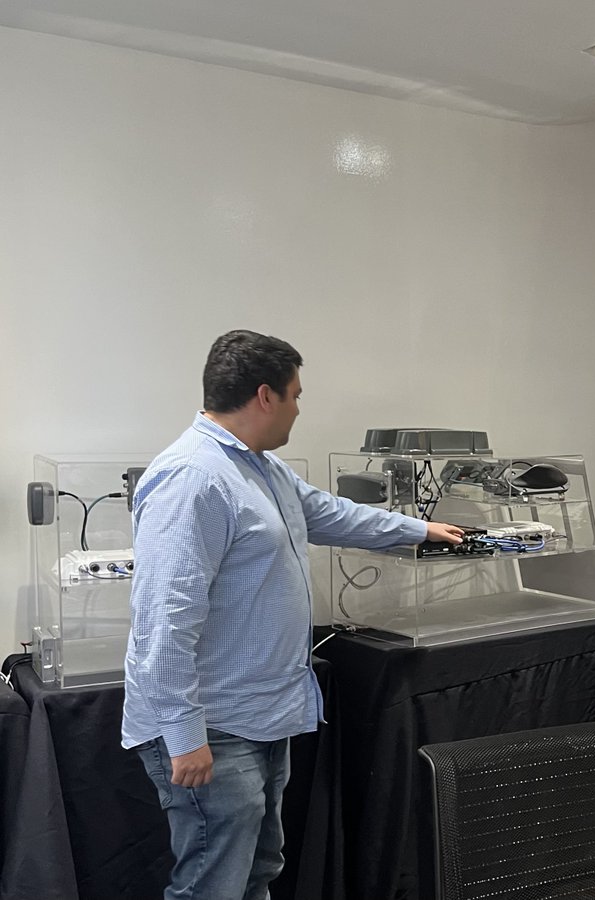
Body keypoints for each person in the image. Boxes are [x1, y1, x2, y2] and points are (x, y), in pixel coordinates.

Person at [122, 330, 465, 900]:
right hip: (214, 725)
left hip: (263, 716)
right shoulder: (193, 476)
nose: (299, 409)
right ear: (265, 396)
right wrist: (184, 735)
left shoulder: (263, 469)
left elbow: (332, 514)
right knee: (212, 885)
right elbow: (164, 618)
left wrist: (418, 529)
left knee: (257, 871)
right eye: (296, 395)